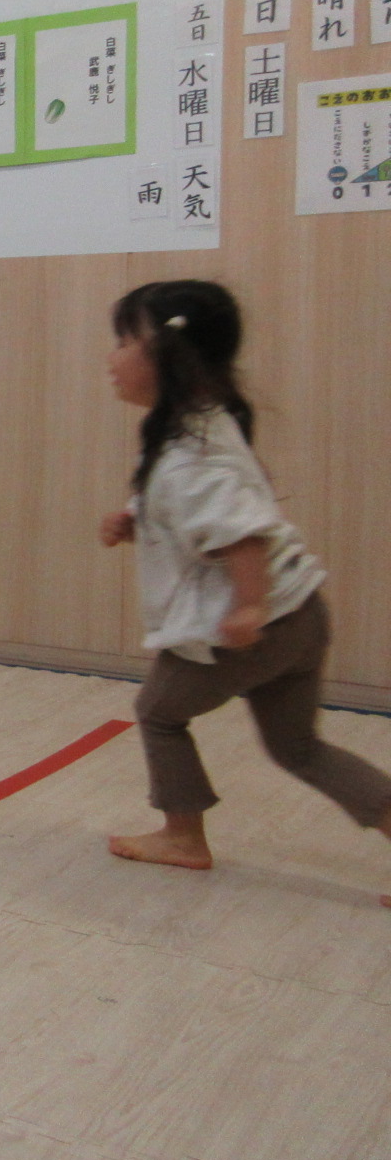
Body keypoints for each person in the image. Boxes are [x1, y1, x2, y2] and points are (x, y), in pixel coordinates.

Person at [100, 279, 391, 898]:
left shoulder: (190, 456)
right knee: (299, 749)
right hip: (301, 614)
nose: (112, 356)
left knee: (158, 713)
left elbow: (242, 534)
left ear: (169, 354)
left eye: (125, 341)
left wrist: (248, 605)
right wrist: (136, 517)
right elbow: (209, 508)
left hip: (250, 627)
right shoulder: (205, 423)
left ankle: (183, 837)